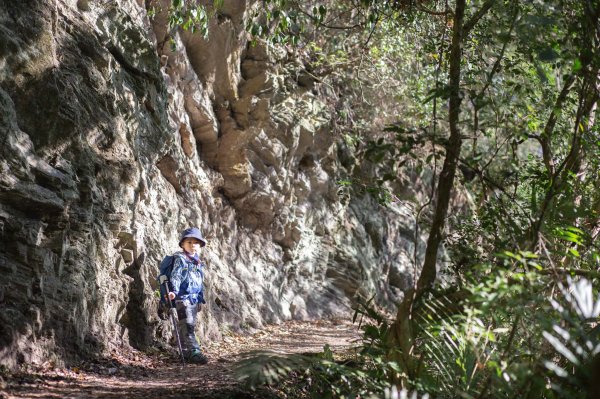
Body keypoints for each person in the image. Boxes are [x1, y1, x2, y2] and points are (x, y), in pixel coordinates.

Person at [168, 227, 208, 364]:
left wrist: (200, 299)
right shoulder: (181, 259)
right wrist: (173, 290)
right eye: (189, 242)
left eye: (195, 243)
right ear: (183, 245)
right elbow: (176, 276)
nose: (192, 245)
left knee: (185, 326)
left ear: (200, 246)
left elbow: (199, 282)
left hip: (194, 299)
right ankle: (195, 352)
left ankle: (185, 353)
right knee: (188, 325)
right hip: (182, 298)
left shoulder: (197, 262)